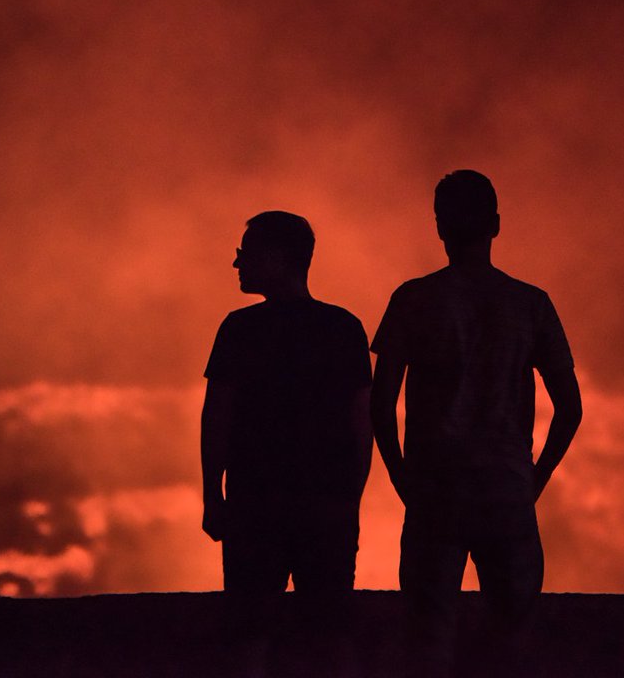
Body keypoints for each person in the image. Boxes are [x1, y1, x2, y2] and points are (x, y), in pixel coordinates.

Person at [370, 170, 583, 678]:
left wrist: (403, 478)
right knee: (510, 641)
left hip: (436, 487)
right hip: (505, 488)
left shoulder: (414, 299)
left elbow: (380, 404)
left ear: (440, 227)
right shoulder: (530, 303)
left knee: (429, 638)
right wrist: (535, 476)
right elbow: (569, 408)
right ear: (496, 225)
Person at [201, 210, 373, 677]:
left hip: (255, 505)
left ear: (277, 258)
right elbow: (363, 426)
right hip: (327, 505)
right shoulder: (345, 328)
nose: (237, 264)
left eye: (246, 253)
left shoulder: (239, 329)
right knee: (332, 633)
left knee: (249, 634)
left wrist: (212, 495)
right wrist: (350, 499)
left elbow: (217, 417)